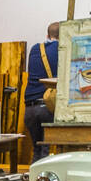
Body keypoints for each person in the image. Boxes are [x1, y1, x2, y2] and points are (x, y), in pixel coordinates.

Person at [24, 22, 59, 158]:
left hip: (29, 108)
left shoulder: (34, 49)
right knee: (46, 151)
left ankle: (34, 178)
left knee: (37, 151)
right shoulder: (61, 49)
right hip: (47, 107)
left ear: (47, 35)